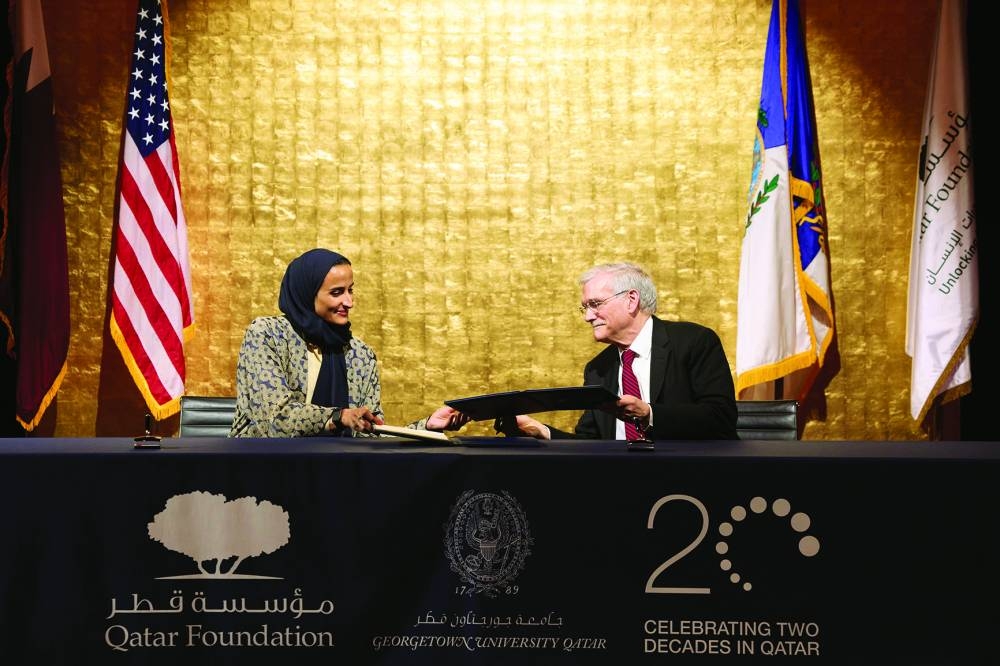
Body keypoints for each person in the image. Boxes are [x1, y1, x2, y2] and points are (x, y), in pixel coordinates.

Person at [229, 248, 468, 438]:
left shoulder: (360, 355)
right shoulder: (266, 335)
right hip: (263, 474)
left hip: (335, 474)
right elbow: (274, 422)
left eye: (350, 290)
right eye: (336, 293)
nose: (349, 302)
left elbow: (370, 435)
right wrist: (337, 417)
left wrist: (427, 426)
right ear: (307, 294)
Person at [512, 262, 738, 441]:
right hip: (620, 479)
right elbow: (591, 443)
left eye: (595, 304)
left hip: (690, 478)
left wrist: (649, 414)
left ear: (631, 300)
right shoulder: (598, 369)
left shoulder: (694, 341)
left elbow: (720, 418)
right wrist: (541, 431)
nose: (587, 316)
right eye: (585, 307)